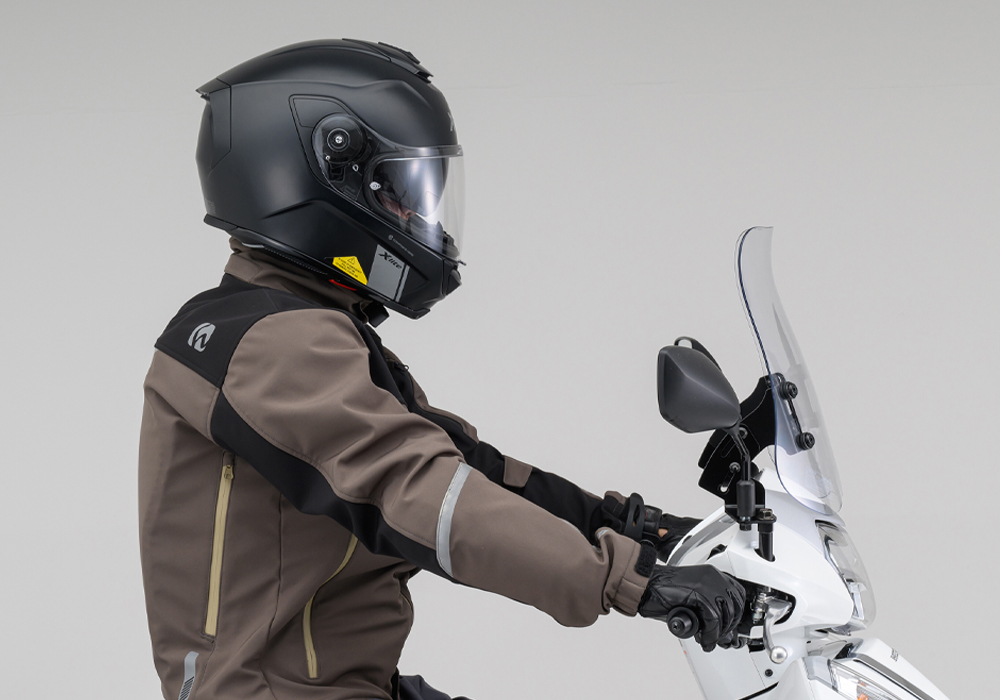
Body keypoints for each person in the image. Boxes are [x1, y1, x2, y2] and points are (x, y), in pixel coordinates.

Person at [138, 39, 746, 700]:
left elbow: (467, 468)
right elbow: (420, 491)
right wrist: (630, 580)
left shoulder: (285, 328)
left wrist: (639, 527)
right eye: (395, 192)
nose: (415, 218)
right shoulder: (269, 342)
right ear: (314, 181)